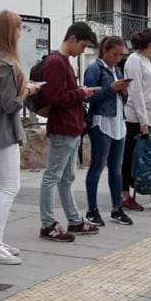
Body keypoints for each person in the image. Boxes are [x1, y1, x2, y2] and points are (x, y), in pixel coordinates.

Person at [0, 11, 41, 264]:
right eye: (18, 28)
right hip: (4, 132)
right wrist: (28, 89)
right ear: (9, 32)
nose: (20, 33)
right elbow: (11, 104)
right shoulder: (7, 64)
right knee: (10, 186)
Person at [38, 22, 100, 242]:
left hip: (71, 127)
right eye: (83, 46)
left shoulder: (62, 62)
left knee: (66, 177)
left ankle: (73, 220)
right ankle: (47, 224)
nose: (82, 51)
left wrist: (80, 93)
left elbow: (63, 94)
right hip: (63, 127)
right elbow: (57, 97)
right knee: (53, 177)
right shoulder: (56, 63)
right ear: (72, 39)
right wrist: (81, 93)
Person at [83, 36, 134, 225]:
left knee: (116, 168)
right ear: (105, 51)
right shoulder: (94, 69)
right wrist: (111, 89)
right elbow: (89, 96)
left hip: (118, 121)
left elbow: (122, 100)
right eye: (115, 54)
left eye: (121, 55)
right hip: (102, 122)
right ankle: (92, 209)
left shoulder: (118, 70)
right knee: (97, 166)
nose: (118, 58)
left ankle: (117, 208)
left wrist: (124, 92)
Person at [121, 29, 151, 211]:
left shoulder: (147, 61)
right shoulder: (134, 60)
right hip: (136, 119)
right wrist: (142, 121)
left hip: (149, 118)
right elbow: (136, 92)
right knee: (132, 157)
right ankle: (126, 195)